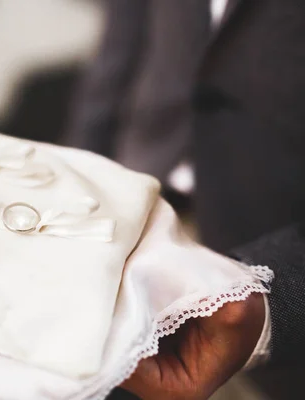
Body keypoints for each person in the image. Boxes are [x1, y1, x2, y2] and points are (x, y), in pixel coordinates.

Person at [67, 0, 305, 399]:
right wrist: (79, 175)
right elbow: (125, 39)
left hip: (273, 262)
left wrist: (271, 303)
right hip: (131, 193)